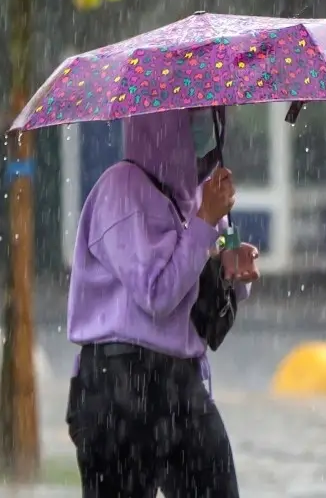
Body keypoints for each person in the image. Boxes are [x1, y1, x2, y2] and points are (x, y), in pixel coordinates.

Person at [65, 107, 260, 498]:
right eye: (196, 116)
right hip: (119, 383)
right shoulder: (120, 191)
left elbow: (198, 289)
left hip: (180, 384)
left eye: (214, 115)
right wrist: (204, 222)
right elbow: (157, 294)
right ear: (166, 124)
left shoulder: (199, 195)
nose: (208, 126)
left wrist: (231, 268)